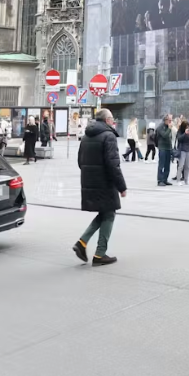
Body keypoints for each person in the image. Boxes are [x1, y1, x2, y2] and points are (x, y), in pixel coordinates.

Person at [71, 109, 127, 266]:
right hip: (105, 182)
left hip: (90, 181)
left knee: (105, 212)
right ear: (107, 120)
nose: (113, 121)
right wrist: (121, 187)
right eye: (112, 118)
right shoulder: (108, 136)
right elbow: (113, 164)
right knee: (109, 214)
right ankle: (100, 254)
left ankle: (82, 243)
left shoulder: (87, 136)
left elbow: (80, 161)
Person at [156, 114, 175, 186]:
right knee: (161, 165)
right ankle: (160, 180)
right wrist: (169, 129)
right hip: (162, 148)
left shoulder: (168, 126)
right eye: (169, 120)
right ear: (165, 120)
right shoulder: (160, 127)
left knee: (167, 165)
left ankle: (165, 179)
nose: (170, 122)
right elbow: (164, 135)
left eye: (171, 120)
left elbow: (170, 138)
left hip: (168, 148)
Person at [174, 120, 189, 185]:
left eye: (188, 127)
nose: (187, 128)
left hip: (188, 149)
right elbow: (179, 139)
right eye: (186, 127)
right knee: (181, 166)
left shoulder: (188, 132)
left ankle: (186, 180)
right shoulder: (179, 132)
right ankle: (178, 180)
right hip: (182, 149)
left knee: (187, 166)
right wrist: (185, 133)